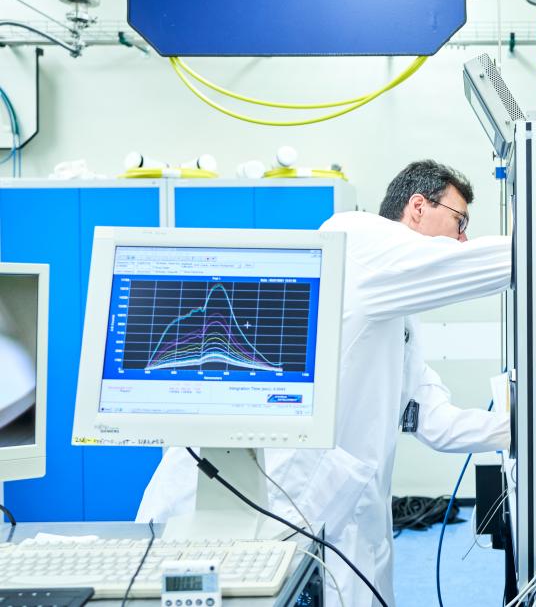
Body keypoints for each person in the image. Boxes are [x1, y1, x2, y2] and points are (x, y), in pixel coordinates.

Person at [136, 159, 512, 606]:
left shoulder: (395, 306)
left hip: (332, 508)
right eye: (460, 220)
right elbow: (476, 264)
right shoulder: (358, 240)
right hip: (251, 495)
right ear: (417, 207)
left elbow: (433, 420)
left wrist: (526, 428)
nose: (463, 237)